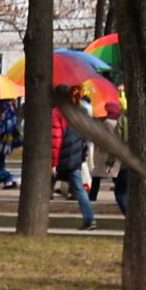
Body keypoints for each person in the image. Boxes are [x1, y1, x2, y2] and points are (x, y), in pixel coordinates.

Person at [52, 97, 96, 230]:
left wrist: (54, 163)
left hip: (63, 157)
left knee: (50, 184)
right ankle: (89, 219)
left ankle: (89, 219)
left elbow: (56, 140)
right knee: (79, 189)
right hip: (75, 157)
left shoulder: (57, 112)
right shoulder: (80, 113)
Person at [0, 98, 21, 188]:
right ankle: (8, 179)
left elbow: (8, 126)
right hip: (2, 142)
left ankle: (9, 178)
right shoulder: (3, 109)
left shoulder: (6, 110)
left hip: (1, 142)